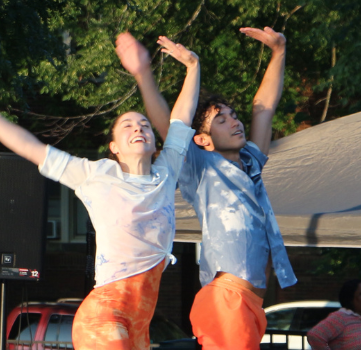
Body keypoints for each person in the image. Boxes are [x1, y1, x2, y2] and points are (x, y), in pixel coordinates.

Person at [0, 33, 201, 348]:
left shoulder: (165, 174)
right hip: (104, 315)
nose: (139, 127)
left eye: (145, 125)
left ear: (154, 143)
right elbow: (34, 150)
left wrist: (193, 66)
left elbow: (180, 119)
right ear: (113, 147)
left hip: (139, 323)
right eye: (128, 125)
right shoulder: (95, 176)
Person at [125, 27, 295, 350]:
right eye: (222, 120)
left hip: (249, 305)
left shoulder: (250, 164)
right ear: (202, 140)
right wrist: (144, 73)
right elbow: (168, 125)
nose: (235, 121)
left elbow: (263, 107)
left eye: (233, 115)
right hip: (225, 300)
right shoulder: (200, 166)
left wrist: (279, 51)